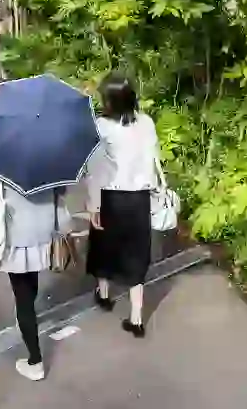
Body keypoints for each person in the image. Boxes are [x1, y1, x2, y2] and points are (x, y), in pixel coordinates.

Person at [85, 72, 163, 338]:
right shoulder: (147, 123)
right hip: (138, 199)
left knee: (103, 247)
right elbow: (153, 160)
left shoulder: (102, 127)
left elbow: (95, 170)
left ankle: (104, 295)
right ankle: (137, 318)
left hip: (111, 198)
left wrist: (94, 205)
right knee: (136, 255)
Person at [0, 176, 72, 381]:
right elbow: (60, 191)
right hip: (41, 233)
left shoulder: (2, 163)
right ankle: (26, 323)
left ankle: (35, 362)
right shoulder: (48, 158)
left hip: (16, 236)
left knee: (22, 300)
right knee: (31, 285)